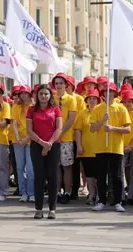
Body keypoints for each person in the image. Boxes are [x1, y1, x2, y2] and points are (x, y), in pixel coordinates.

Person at [90, 82, 131, 212]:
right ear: (103, 94)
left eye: (111, 92)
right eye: (106, 92)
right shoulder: (97, 109)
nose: (109, 95)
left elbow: (128, 129)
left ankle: (118, 201)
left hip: (116, 148)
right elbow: (92, 128)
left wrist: (113, 128)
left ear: (114, 94)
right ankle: (101, 201)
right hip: (101, 148)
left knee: (117, 176)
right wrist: (102, 121)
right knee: (101, 175)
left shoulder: (121, 108)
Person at [26, 84, 62, 219]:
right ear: (37, 95)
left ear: (50, 95)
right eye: (41, 94)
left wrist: (49, 144)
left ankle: (52, 208)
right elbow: (29, 130)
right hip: (36, 145)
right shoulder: (31, 110)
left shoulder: (56, 109)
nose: (43, 96)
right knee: (39, 177)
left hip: (54, 145)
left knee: (53, 177)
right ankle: (39, 208)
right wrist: (42, 143)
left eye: (46, 94)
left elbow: (58, 128)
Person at [52, 73, 77, 204]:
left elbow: (71, 119)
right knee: (56, 166)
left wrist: (60, 132)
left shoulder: (71, 99)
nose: (59, 86)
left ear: (66, 84)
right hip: (54, 139)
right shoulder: (52, 99)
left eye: (61, 83)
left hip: (66, 138)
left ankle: (67, 192)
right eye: (56, 83)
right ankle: (57, 191)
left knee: (67, 167)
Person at [74, 89, 100, 205]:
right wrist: (79, 145)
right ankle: (91, 195)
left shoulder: (101, 112)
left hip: (100, 149)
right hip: (86, 149)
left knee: (99, 174)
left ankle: (99, 195)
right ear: (86, 100)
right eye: (90, 98)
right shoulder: (82, 114)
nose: (92, 100)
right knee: (89, 174)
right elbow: (78, 131)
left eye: (94, 98)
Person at [12, 85, 35, 203]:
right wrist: (17, 137)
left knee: (30, 168)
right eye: (21, 93)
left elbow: (35, 126)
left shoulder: (34, 106)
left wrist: (26, 138)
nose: (23, 95)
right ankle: (23, 192)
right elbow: (14, 123)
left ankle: (31, 192)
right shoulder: (16, 106)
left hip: (31, 140)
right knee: (20, 167)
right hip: (18, 141)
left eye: (26, 93)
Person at [66, 75, 86, 200]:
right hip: (64, 136)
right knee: (66, 165)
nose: (65, 86)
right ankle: (66, 188)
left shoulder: (78, 99)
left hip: (76, 135)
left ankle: (74, 189)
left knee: (75, 164)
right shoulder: (59, 98)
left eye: (67, 84)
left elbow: (81, 116)